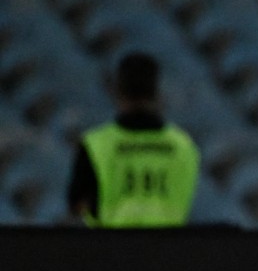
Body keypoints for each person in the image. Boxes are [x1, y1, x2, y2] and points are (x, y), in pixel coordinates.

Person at [68, 51, 200, 227]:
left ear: (117, 91)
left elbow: (77, 205)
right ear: (157, 92)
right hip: (167, 250)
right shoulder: (184, 146)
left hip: (111, 250)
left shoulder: (95, 145)